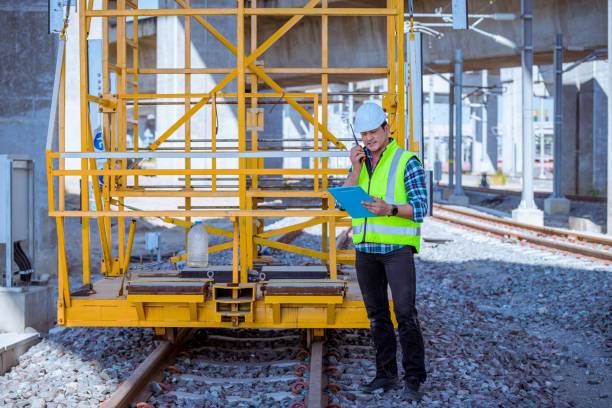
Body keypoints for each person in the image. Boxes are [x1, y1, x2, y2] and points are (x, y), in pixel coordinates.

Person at [342, 102, 428, 401]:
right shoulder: (361, 162)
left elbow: (421, 208)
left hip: (396, 251)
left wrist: (388, 208)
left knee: (405, 314)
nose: (368, 139)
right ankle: (386, 375)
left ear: (386, 128)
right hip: (366, 249)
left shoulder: (407, 161)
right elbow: (343, 202)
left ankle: (413, 379)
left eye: (373, 132)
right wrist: (354, 169)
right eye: (363, 134)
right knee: (377, 316)